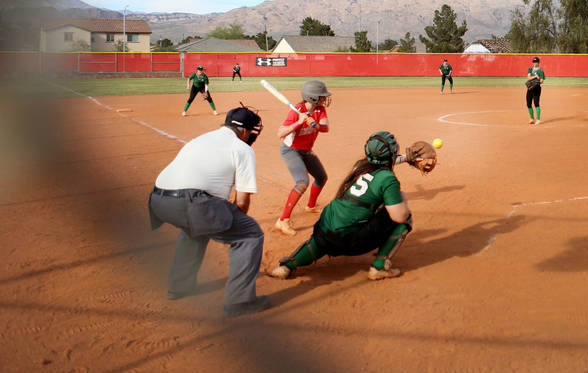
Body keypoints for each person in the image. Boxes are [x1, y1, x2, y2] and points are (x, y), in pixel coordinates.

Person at [148, 105, 269, 318]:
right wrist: (235, 224)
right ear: (243, 131)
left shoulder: (200, 139)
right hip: (190, 202)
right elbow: (242, 200)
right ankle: (240, 302)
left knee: (196, 227)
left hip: (159, 200)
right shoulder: (242, 149)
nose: (250, 136)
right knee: (250, 233)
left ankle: (179, 287)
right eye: (250, 132)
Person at [267, 131, 437, 281]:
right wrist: (402, 199)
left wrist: (406, 158)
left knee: (325, 237)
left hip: (323, 232)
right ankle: (379, 267)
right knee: (404, 218)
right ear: (391, 155)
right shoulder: (387, 179)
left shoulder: (359, 166)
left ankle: (287, 266)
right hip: (351, 243)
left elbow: (380, 163)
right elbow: (399, 216)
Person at [273, 80, 332, 236]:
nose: (324, 99)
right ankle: (283, 220)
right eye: (321, 96)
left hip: (306, 150)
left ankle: (310, 206)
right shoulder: (296, 112)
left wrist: (316, 125)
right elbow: (280, 133)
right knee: (302, 181)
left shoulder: (319, 110)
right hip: (291, 150)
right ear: (312, 97)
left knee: (321, 177)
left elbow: (326, 128)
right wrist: (298, 123)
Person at [526, 56, 546, 124]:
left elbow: (542, 81)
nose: (535, 63)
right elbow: (528, 77)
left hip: (537, 88)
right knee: (528, 103)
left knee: (536, 103)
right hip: (530, 88)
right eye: (534, 62)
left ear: (538, 62)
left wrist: (538, 81)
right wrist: (535, 77)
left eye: (536, 62)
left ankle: (538, 119)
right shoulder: (530, 69)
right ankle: (532, 118)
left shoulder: (541, 71)